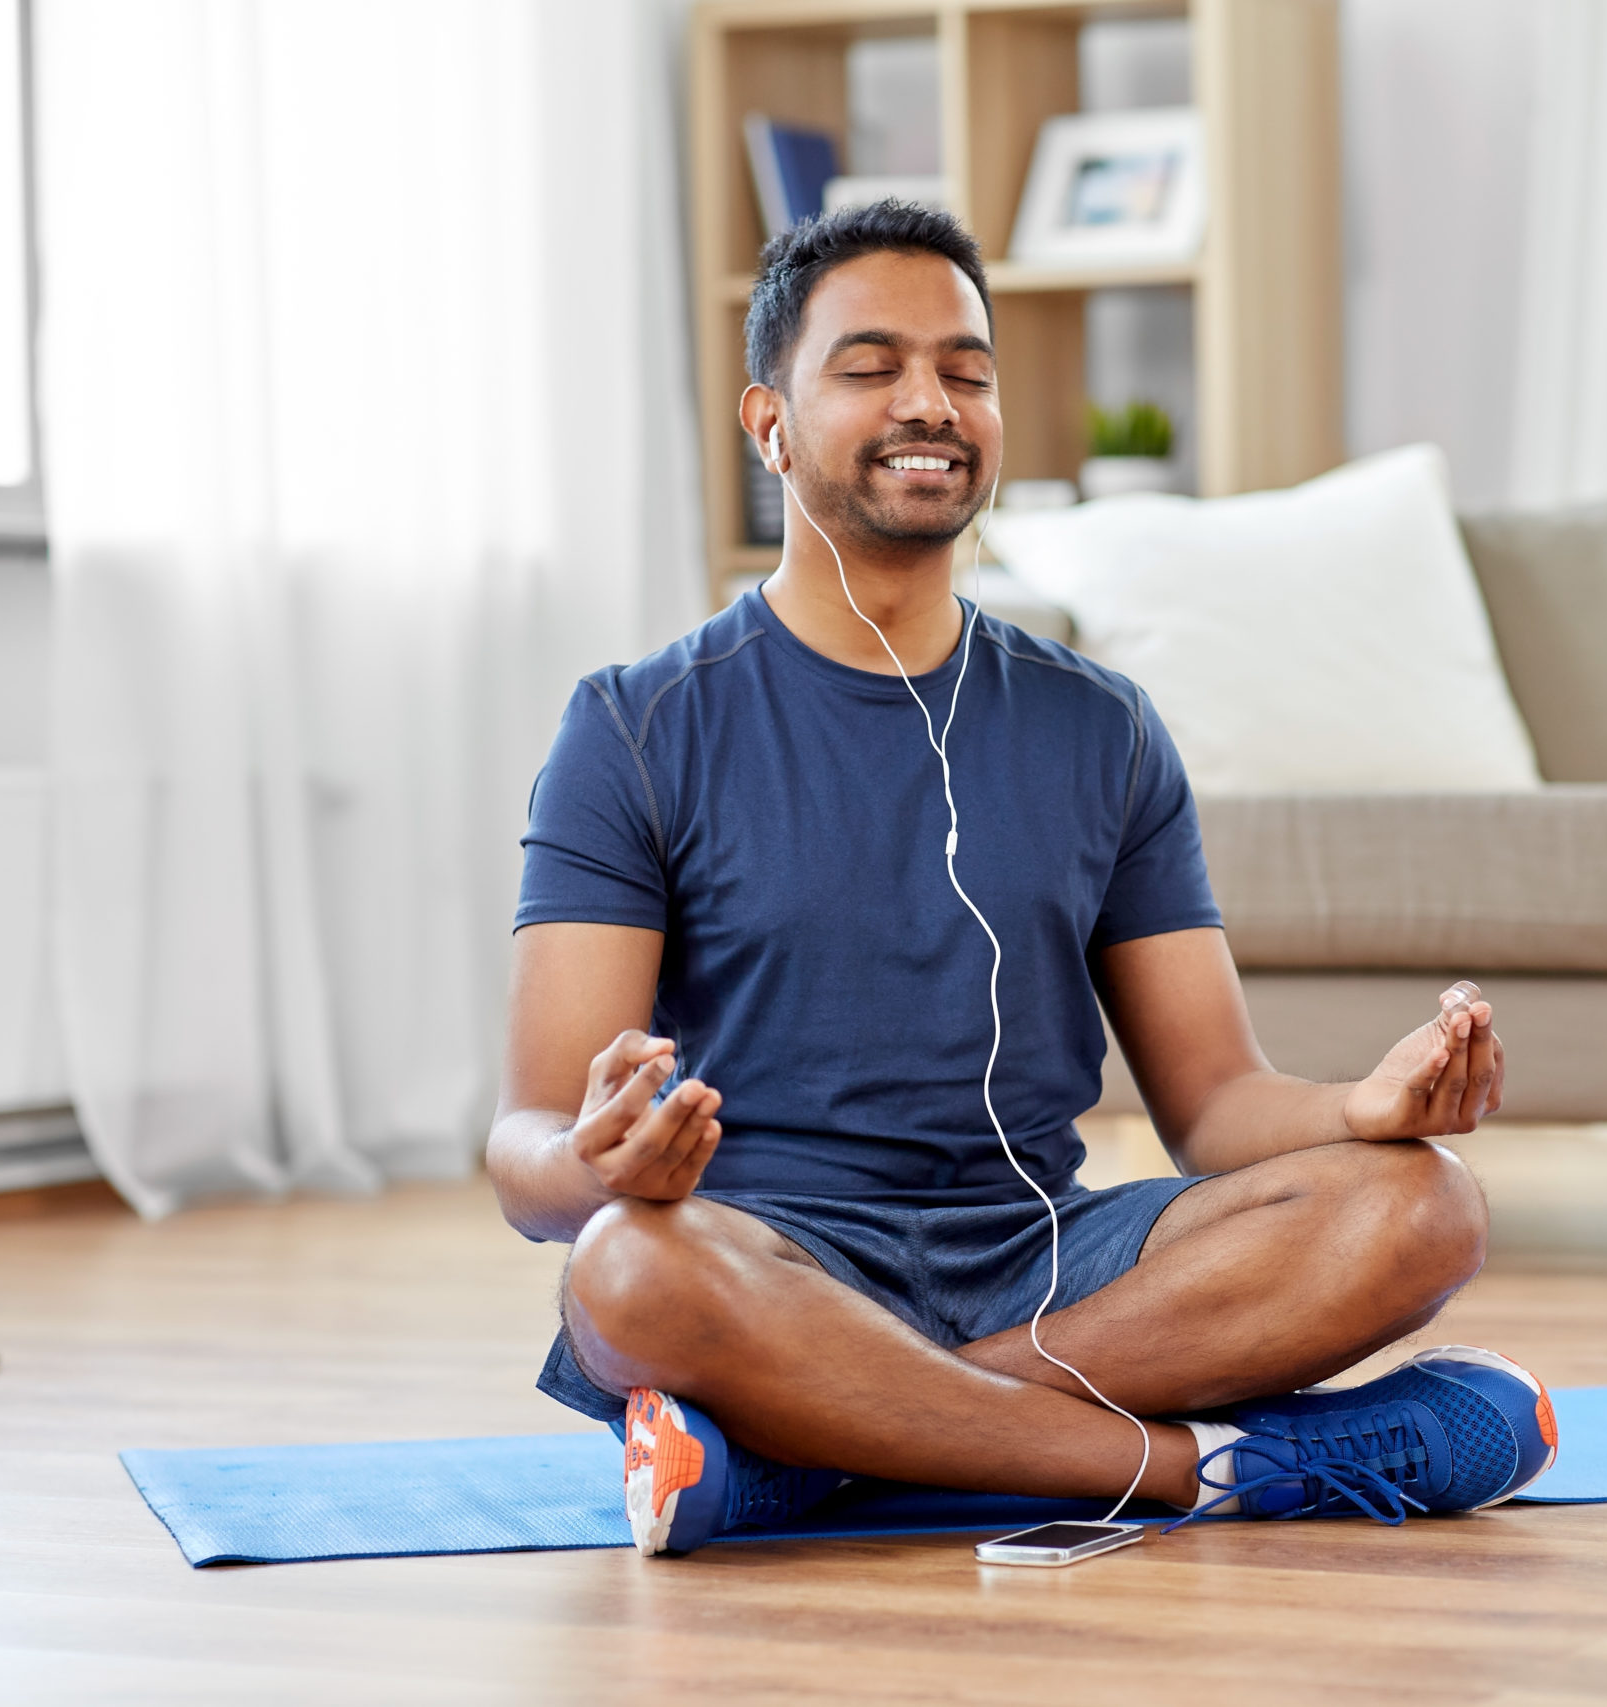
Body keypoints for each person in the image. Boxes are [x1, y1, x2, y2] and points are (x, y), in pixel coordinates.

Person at [489, 201, 1553, 1557]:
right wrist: (589, 1161)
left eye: (968, 371)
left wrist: (1363, 1106)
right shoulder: (634, 725)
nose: (929, 401)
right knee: (627, 1268)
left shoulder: (1099, 726)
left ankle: (817, 1451)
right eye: (871, 367)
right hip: (771, 1264)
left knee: (1420, 1202)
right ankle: (1201, 1470)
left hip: (1047, 1259)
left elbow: (1216, 1107)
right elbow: (526, 1154)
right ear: (770, 424)